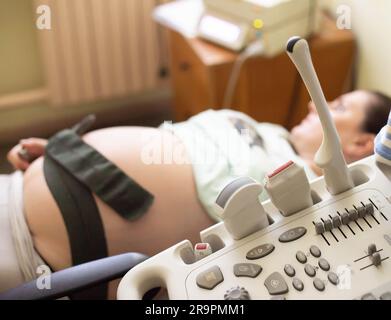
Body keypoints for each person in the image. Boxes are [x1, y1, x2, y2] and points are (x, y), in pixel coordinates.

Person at [2, 89, 391, 298]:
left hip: (39, 257)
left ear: (361, 143)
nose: (312, 102)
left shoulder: (309, 201)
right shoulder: (269, 131)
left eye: (334, 105)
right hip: (30, 179)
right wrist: (55, 151)